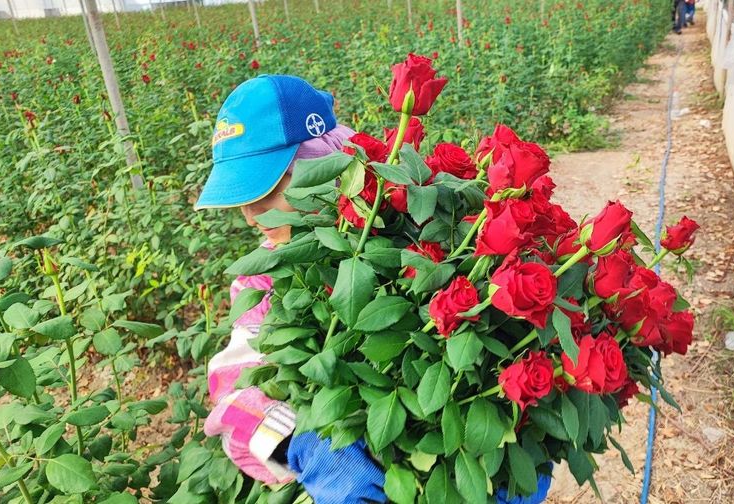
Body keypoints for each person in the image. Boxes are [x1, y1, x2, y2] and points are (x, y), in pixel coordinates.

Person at [195, 75, 552, 503]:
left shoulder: (403, 231)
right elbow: (233, 384)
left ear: (326, 165)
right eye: (242, 198)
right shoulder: (262, 280)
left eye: (269, 189)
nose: (252, 215)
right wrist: (303, 442)